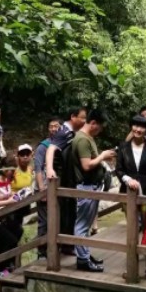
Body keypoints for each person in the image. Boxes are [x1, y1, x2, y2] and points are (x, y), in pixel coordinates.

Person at [116, 115, 146, 281]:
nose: (138, 130)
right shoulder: (123, 147)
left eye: (141, 127)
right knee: (132, 228)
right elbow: (119, 170)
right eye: (135, 126)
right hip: (128, 194)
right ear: (131, 127)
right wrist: (128, 180)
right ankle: (132, 266)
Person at [71, 108, 115, 272]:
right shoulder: (83, 140)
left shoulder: (88, 137)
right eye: (100, 127)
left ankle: (85, 255)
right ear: (93, 123)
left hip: (92, 186)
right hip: (86, 186)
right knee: (82, 225)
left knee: (86, 224)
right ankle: (82, 260)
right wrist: (102, 156)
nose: (100, 130)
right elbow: (86, 165)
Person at [45, 106, 88, 253]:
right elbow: (51, 149)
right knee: (63, 211)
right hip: (61, 177)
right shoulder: (64, 132)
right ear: (73, 117)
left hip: (69, 178)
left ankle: (68, 245)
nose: (84, 121)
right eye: (82, 117)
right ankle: (61, 246)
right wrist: (50, 169)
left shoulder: (73, 133)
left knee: (71, 211)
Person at [34, 118, 62, 257]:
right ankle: (42, 251)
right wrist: (41, 189)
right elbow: (38, 168)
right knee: (44, 221)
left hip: (58, 190)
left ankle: (55, 248)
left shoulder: (63, 144)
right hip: (44, 188)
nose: (53, 129)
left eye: (56, 126)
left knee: (57, 219)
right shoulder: (43, 146)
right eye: (51, 127)